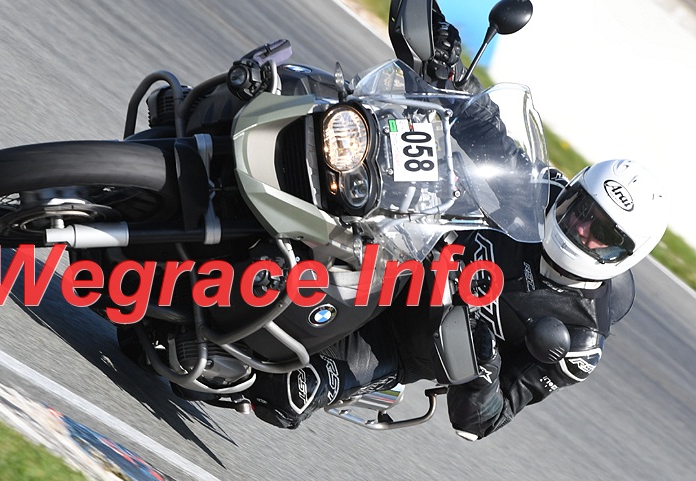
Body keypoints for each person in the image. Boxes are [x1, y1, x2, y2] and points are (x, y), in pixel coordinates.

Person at [243, 158, 668, 439]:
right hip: (394, 240)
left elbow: (479, 422)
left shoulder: (580, 339)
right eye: (582, 209)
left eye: (601, 233)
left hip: (398, 337)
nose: (581, 228)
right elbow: (488, 133)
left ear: (623, 254)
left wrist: (483, 366)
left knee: (285, 394)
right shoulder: (542, 189)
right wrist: (448, 73)